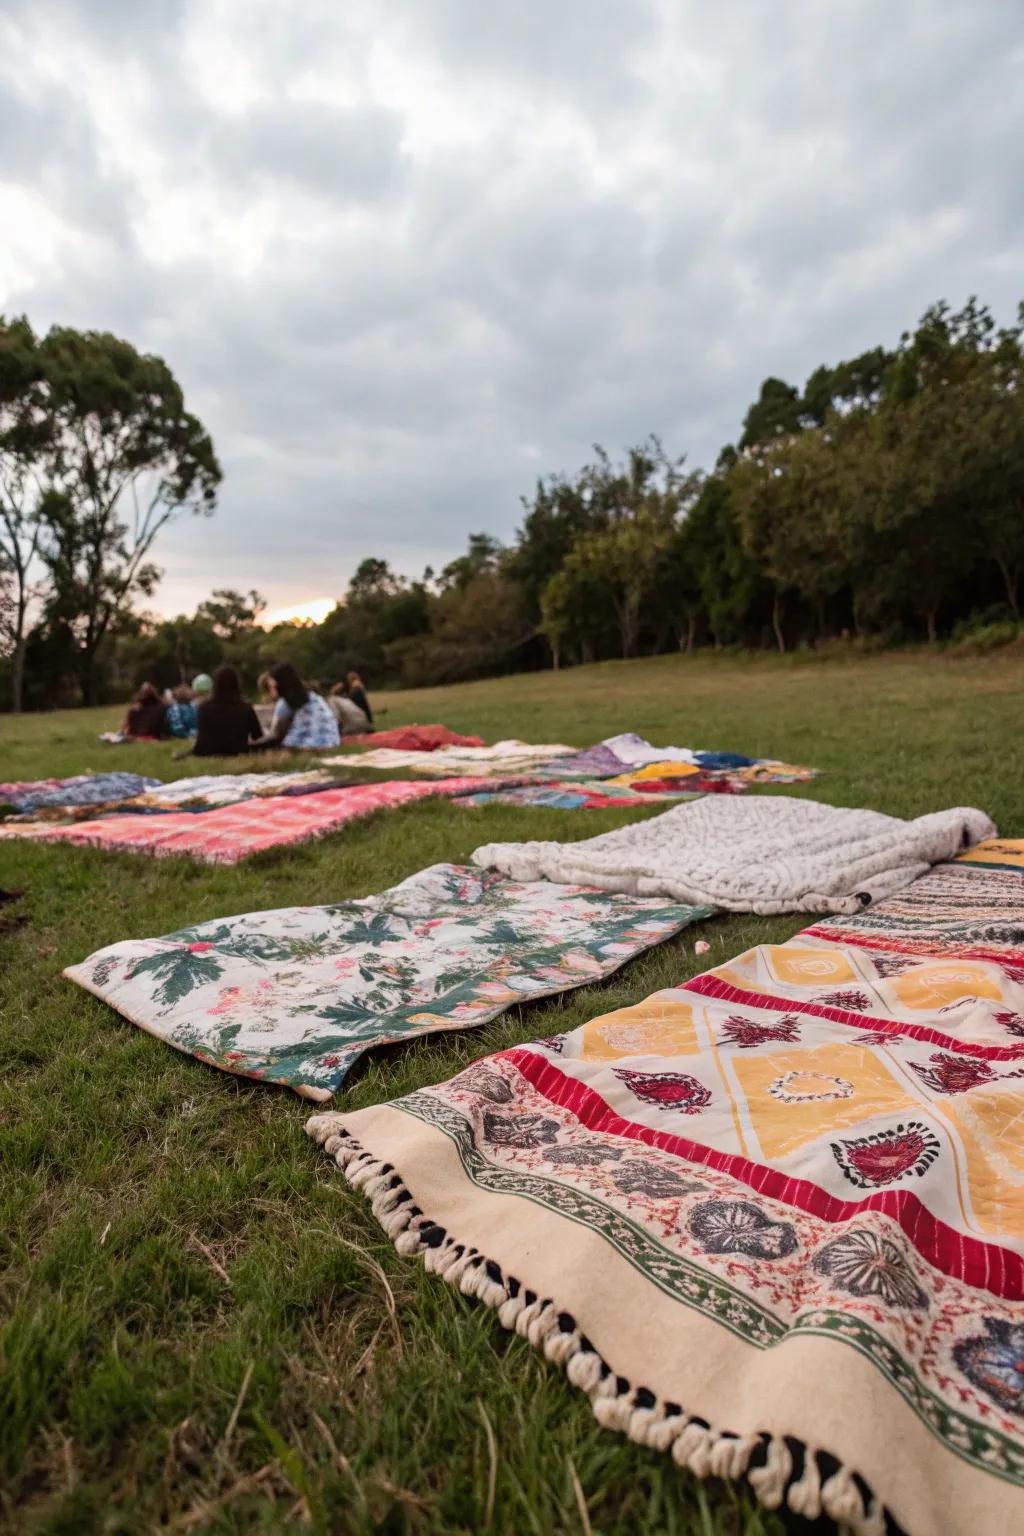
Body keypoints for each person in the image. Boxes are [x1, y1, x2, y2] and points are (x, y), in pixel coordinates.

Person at [254, 662, 340, 750]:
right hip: (332, 742)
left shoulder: (284, 704)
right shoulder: (314, 697)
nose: (271, 691)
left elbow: (275, 734)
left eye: (272, 687)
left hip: (303, 746)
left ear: (280, 685)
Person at [193, 665, 264, 757]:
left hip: (208, 752)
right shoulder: (246, 709)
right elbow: (257, 736)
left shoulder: (203, 709)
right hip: (237, 750)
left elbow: (202, 738)